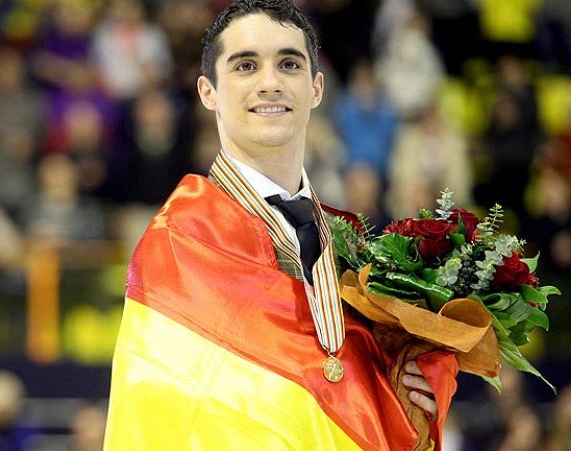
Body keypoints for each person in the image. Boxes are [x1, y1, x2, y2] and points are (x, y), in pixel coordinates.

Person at [104, 1, 459, 450]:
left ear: (316, 88)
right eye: (246, 65)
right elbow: (157, 420)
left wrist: (412, 390)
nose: (270, 83)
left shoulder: (357, 250)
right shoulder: (177, 242)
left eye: (289, 64)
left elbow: (352, 403)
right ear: (207, 91)